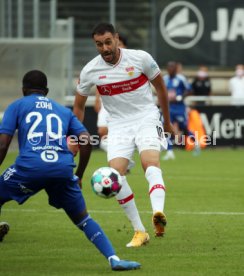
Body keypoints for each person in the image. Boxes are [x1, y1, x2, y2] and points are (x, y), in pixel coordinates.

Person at [0, 70, 141, 271]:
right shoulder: (63, 111)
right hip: (62, 168)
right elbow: (85, 141)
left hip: (30, 166)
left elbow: (3, 144)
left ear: (23, 90)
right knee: (83, 219)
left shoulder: (17, 106)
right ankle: (114, 259)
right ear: (46, 91)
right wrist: (79, 174)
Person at [73, 23, 174, 247]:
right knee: (114, 177)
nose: (104, 48)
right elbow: (78, 106)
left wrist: (166, 122)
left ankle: (158, 212)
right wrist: (75, 134)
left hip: (146, 117)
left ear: (117, 39)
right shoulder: (90, 70)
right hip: (118, 124)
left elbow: (161, 89)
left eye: (108, 42)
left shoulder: (140, 58)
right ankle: (140, 231)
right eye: (99, 44)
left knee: (150, 163)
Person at [94, 34, 135, 172]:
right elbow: (100, 81)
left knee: (117, 134)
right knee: (102, 132)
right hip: (107, 102)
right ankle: (124, 160)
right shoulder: (104, 62)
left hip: (123, 104)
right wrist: (97, 98)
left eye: (121, 44)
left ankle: (122, 158)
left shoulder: (131, 62)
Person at [162, 61, 197, 160]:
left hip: (179, 108)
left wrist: (181, 96)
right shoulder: (164, 79)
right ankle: (169, 151)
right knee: (167, 127)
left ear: (176, 69)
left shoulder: (181, 79)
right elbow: (160, 91)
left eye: (172, 67)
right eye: (169, 67)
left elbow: (190, 90)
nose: (170, 69)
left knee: (184, 128)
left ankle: (196, 142)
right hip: (169, 108)